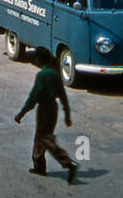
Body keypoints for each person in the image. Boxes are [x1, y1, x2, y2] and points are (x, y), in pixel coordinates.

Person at [14, 48, 80, 182]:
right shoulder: (55, 73)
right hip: (53, 108)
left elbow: (33, 97)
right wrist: (67, 114)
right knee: (41, 137)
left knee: (45, 138)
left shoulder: (42, 75)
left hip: (44, 109)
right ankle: (39, 166)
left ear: (39, 59)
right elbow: (63, 95)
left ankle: (68, 162)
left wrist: (22, 113)